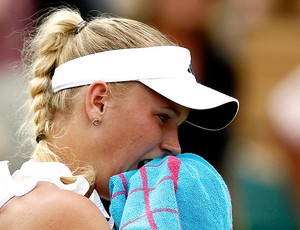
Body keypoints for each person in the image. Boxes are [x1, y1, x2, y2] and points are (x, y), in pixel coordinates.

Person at [0, 7, 238, 229]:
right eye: (163, 117)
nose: (175, 147)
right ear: (99, 102)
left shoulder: (51, 202)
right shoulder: (67, 212)